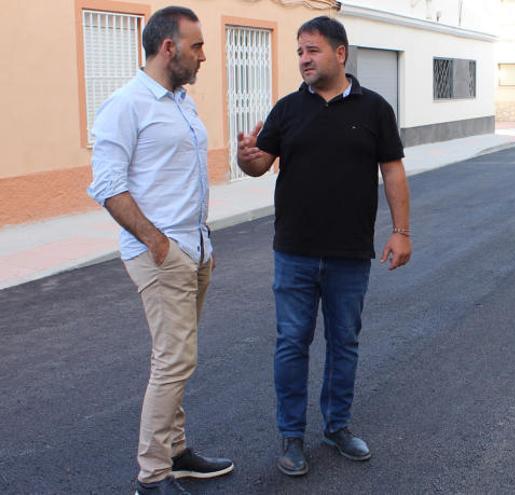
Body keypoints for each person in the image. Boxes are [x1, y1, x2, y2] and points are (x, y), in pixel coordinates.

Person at [236, 16, 412, 477]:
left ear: (340, 53)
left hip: (350, 254)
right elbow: (261, 165)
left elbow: (392, 170)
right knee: (292, 343)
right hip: (294, 251)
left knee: (344, 343)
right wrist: (246, 159)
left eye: (311, 50)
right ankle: (291, 437)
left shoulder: (375, 109)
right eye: (299, 52)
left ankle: (337, 426)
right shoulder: (288, 110)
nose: (304, 59)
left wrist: (402, 231)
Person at [87, 6, 234, 495]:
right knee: (173, 361)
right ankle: (152, 477)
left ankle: (176, 450)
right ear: (168, 48)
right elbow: (108, 185)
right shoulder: (126, 104)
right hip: (161, 254)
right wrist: (157, 242)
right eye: (196, 46)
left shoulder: (180, 102)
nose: (204, 56)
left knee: (178, 358)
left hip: (195, 248)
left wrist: (198, 243)